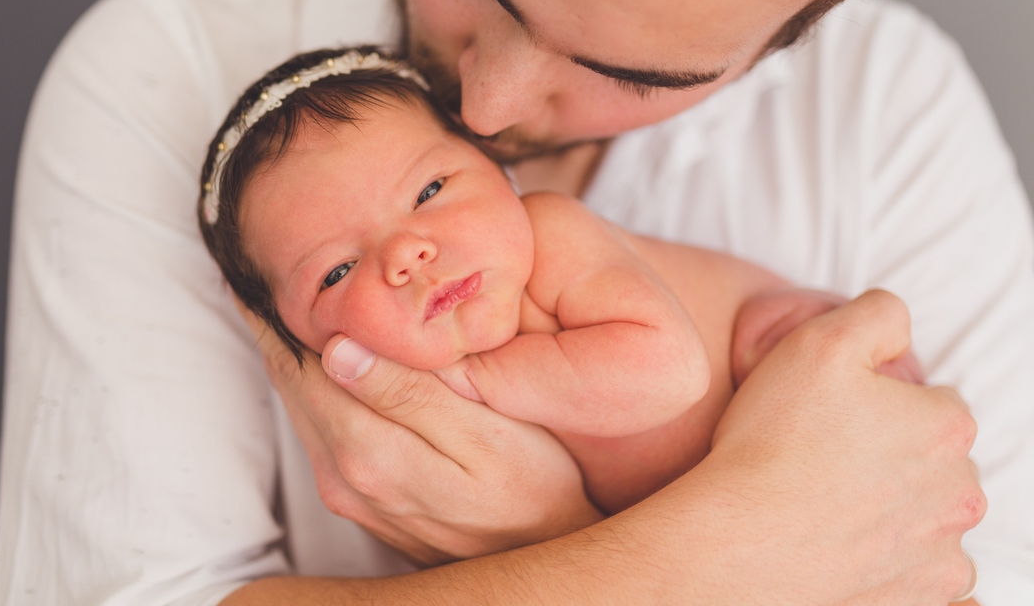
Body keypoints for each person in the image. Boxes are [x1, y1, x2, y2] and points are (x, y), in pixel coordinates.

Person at [0, 0, 1034, 604]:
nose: (483, 106)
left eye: (632, 71)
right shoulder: (165, 76)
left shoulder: (886, 113)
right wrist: (738, 549)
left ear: (797, 30)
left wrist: (542, 533)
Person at [197, 47, 924, 516]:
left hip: (781, 373)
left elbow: (668, 372)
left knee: (795, 349)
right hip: (732, 528)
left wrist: (486, 379)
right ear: (296, 340)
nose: (408, 253)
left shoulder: (549, 236)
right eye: (338, 270)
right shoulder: (383, 434)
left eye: (429, 192)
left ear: (499, 173)